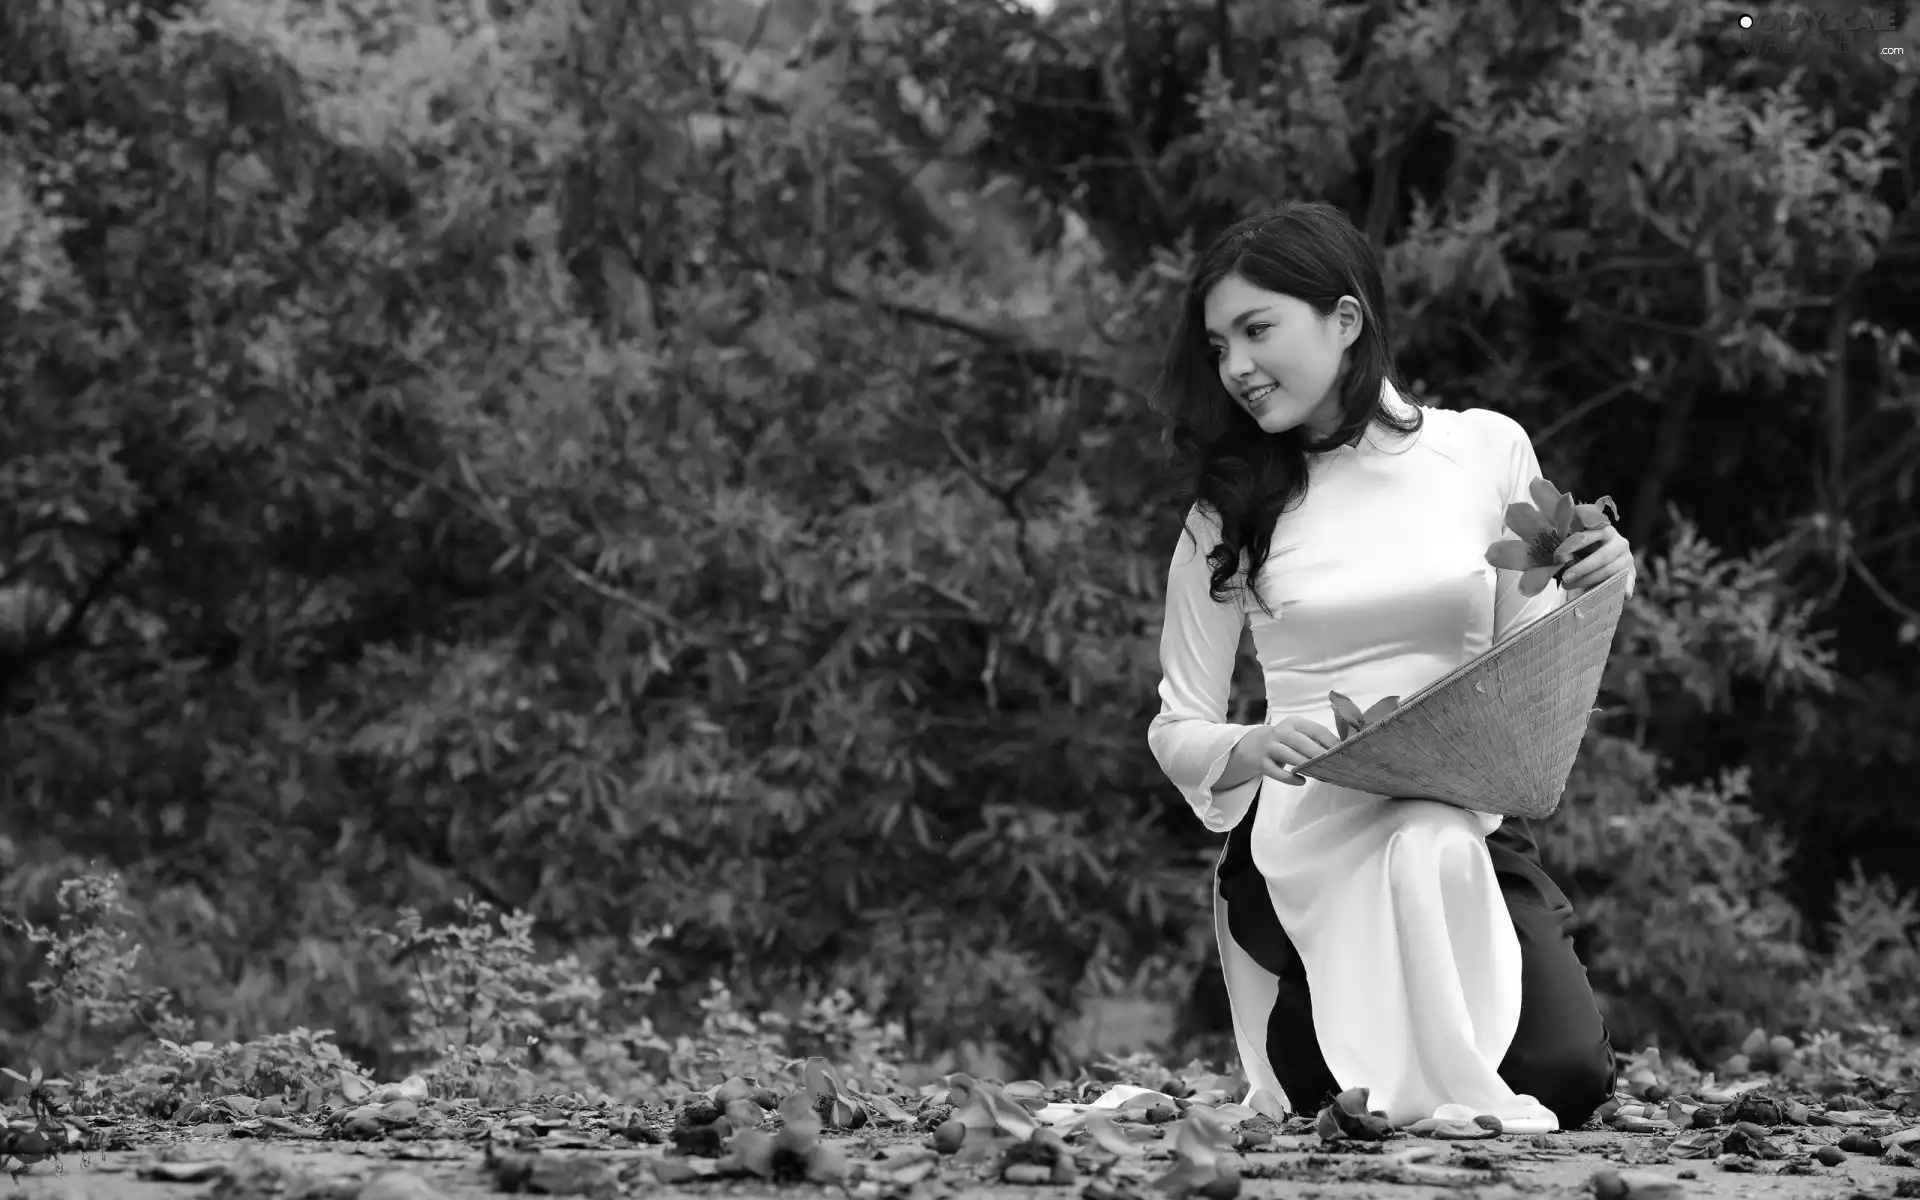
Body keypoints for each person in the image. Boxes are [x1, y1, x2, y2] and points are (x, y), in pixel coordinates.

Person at [1146, 202, 1636, 1135]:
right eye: (1219, 346)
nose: (1236, 368)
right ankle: (1309, 1015)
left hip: (1458, 816)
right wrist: (1253, 742)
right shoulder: (1228, 513)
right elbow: (1177, 728)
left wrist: (1597, 575)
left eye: (1257, 330)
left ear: (1344, 319)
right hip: (1312, 830)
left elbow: (1526, 655)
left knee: (1565, 1075)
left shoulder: (1482, 449)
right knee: (1341, 1094)